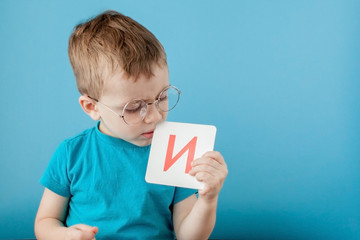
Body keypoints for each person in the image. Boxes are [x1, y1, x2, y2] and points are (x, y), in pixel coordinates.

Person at [34, 10, 228, 240]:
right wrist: (64, 236)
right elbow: (46, 222)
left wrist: (208, 199)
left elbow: (189, 236)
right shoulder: (71, 154)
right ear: (91, 107)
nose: (155, 116)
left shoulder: (176, 152)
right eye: (135, 108)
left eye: (163, 97)